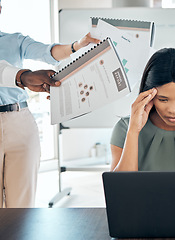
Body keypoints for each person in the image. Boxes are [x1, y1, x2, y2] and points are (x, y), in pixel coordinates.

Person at [0, 0, 100, 208]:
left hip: (19, 121)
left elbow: (49, 52)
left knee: (22, 200)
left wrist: (76, 46)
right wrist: (24, 77)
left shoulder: (14, 40)